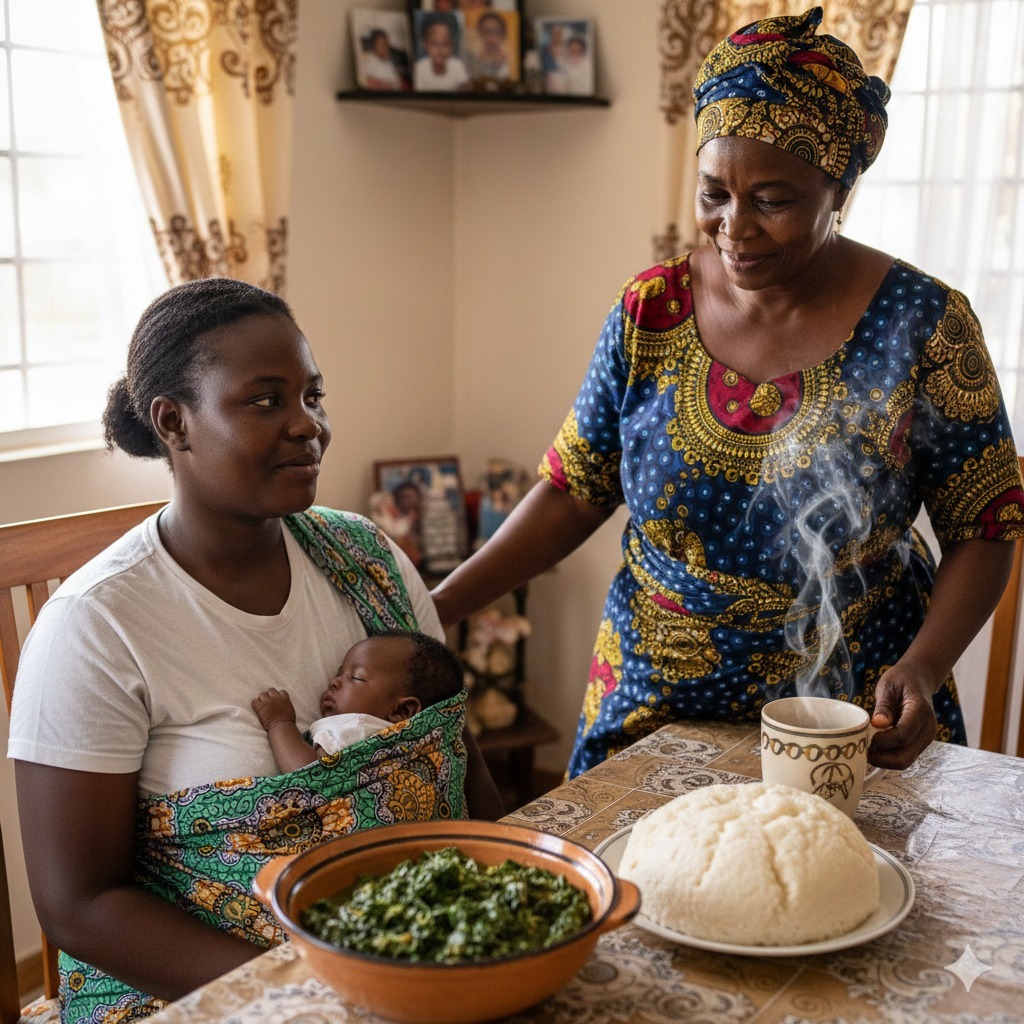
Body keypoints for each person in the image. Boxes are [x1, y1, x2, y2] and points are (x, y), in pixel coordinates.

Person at [432, 7, 1024, 781]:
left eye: (772, 200)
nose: (734, 226)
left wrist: (923, 664)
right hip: (654, 705)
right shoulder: (653, 309)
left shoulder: (926, 326)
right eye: (714, 193)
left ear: (838, 186)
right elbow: (576, 488)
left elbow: (985, 524)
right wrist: (435, 608)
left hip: (847, 714)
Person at [7, 278, 502, 1020]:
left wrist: (502, 894)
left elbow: (452, 752)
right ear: (174, 422)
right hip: (215, 994)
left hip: (414, 951)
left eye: (312, 396)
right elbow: (80, 904)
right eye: (266, 400)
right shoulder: (98, 624)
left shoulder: (366, 558)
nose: (309, 425)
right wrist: (315, 991)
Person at [253, 630, 465, 773]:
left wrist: (279, 723)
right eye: (339, 673)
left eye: (356, 677)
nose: (335, 681)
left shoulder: (354, 728)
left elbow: (307, 774)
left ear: (402, 710)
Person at [413, 12, 469, 92]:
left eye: (445, 44)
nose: (440, 49)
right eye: (435, 44)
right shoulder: (419, 69)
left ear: (452, 45)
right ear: (424, 44)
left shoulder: (457, 66)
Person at [465, 11, 511, 84]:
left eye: (496, 32)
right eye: (487, 32)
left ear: (503, 35)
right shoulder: (471, 61)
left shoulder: (509, 63)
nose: (492, 37)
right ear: (479, 33)